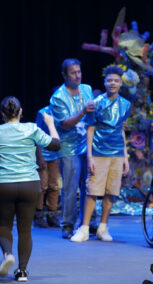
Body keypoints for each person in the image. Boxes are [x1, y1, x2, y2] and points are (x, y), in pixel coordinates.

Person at [0, 97, 60, 281]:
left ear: (3, 114)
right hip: (30, 185)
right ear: (20, 112)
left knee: (3, 225)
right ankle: (22, 272)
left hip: (4, 185)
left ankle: (8, 254)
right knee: (25, 230)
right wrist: (50, 124)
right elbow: (56, 145)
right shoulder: (31, 128)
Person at [71, 66, 131, 242]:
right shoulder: (95, 103)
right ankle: (84, 228)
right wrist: (89, 156)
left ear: (120, 83)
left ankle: (103, 228)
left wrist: (125, 156)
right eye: (109, 80)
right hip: (98, 152)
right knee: (92, 191)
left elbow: (122, 130)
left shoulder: (126, 105)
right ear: (105, 82)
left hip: (117, 153)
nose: (112, 83)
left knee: (111, 192)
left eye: (116, 80)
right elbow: (90, 130)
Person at [50, 58, 97, 239]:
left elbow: (93, 115)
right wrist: (83, 111)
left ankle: (88, 222)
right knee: (70, 188)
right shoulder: (58, 97)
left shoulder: (86, 89)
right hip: (68, 148)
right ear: (64, 75)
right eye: (73, 73)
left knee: (89, 185)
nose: (77, 76)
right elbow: (65, 124)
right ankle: (68, 224)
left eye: (79, 71)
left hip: (87, 145)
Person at [33, 106, 61, 228]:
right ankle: (38, 215)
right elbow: (36, 135)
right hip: (43, 154)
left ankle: (52, 215)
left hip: (56, 155)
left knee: (54, 186)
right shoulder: (43, 112)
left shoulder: (64, 111)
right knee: (42, 186)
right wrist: (39, 157)